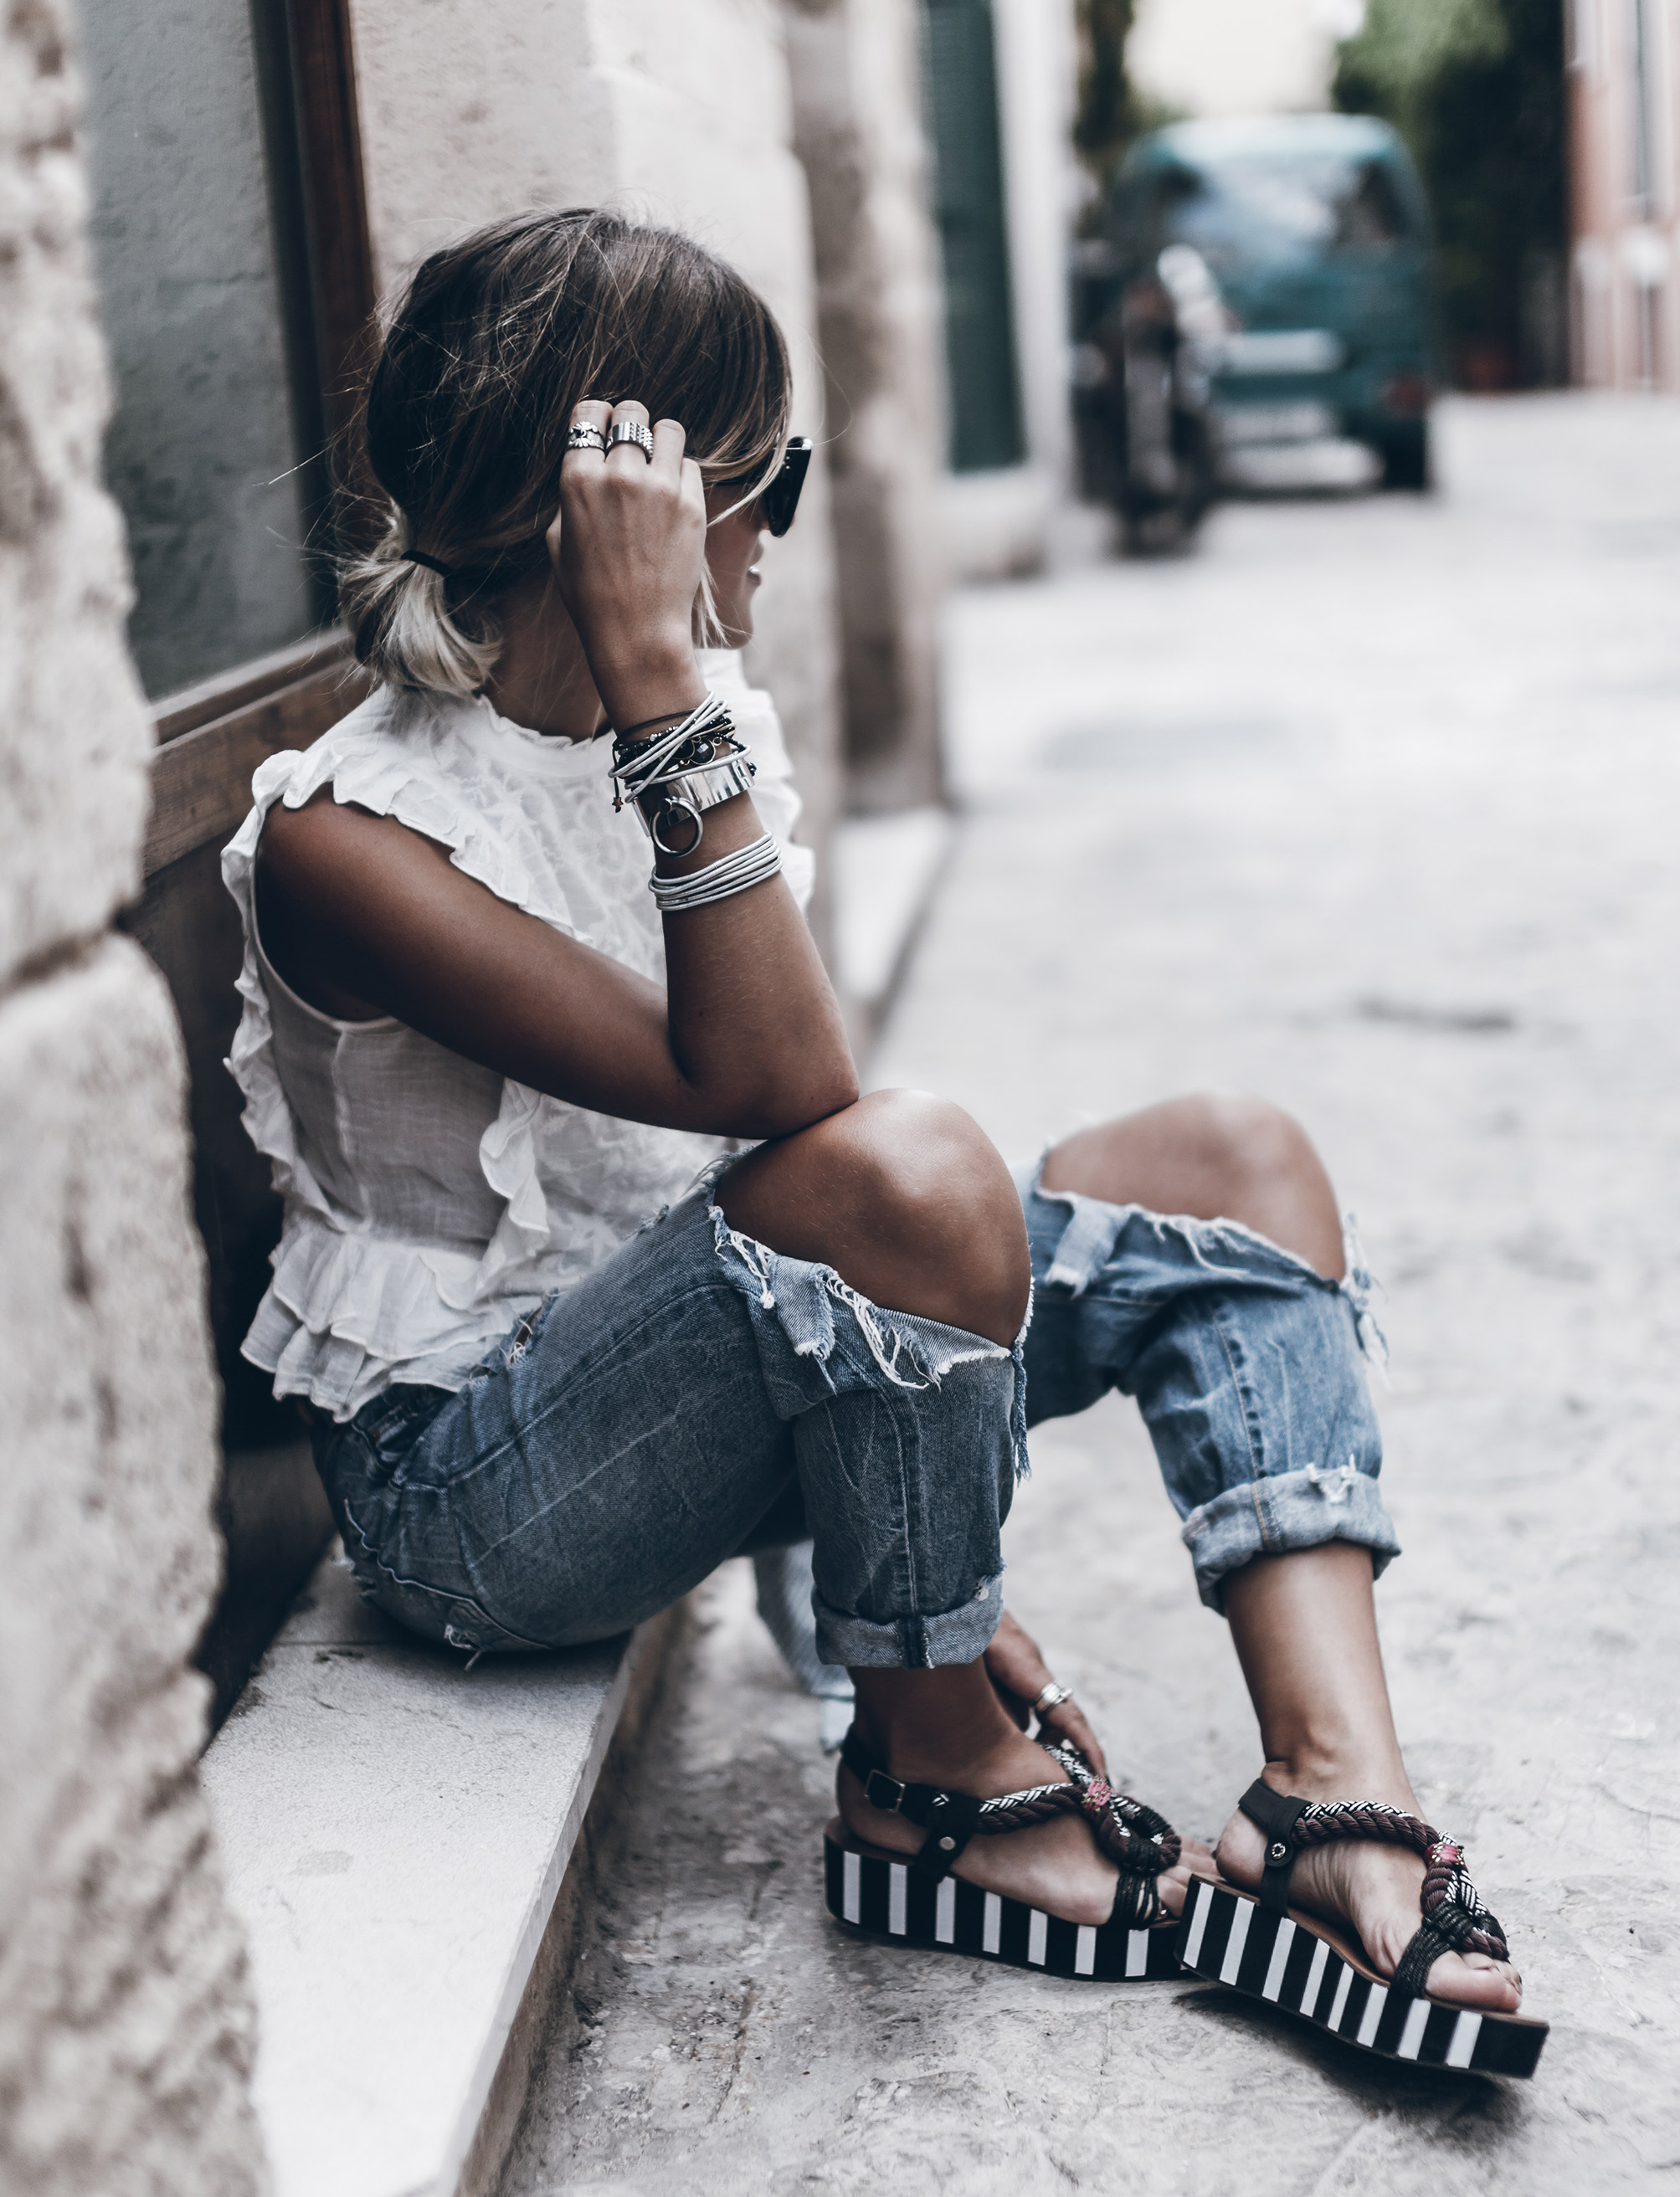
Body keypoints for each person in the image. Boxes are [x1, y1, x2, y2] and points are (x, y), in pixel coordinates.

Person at [223, 208, 1531, 2056]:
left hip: (707, 1368)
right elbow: (773, 1103)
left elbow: (756, 1181)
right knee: (902, 1164)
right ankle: (934, 1781)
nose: (779, 527)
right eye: (773, 476)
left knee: (1234, 1156)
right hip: (480, 1496)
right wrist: (664, 686)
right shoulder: (346, 840)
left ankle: (1332, 1799)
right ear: (633, 521)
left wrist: (907, 1555)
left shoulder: (693, 735)